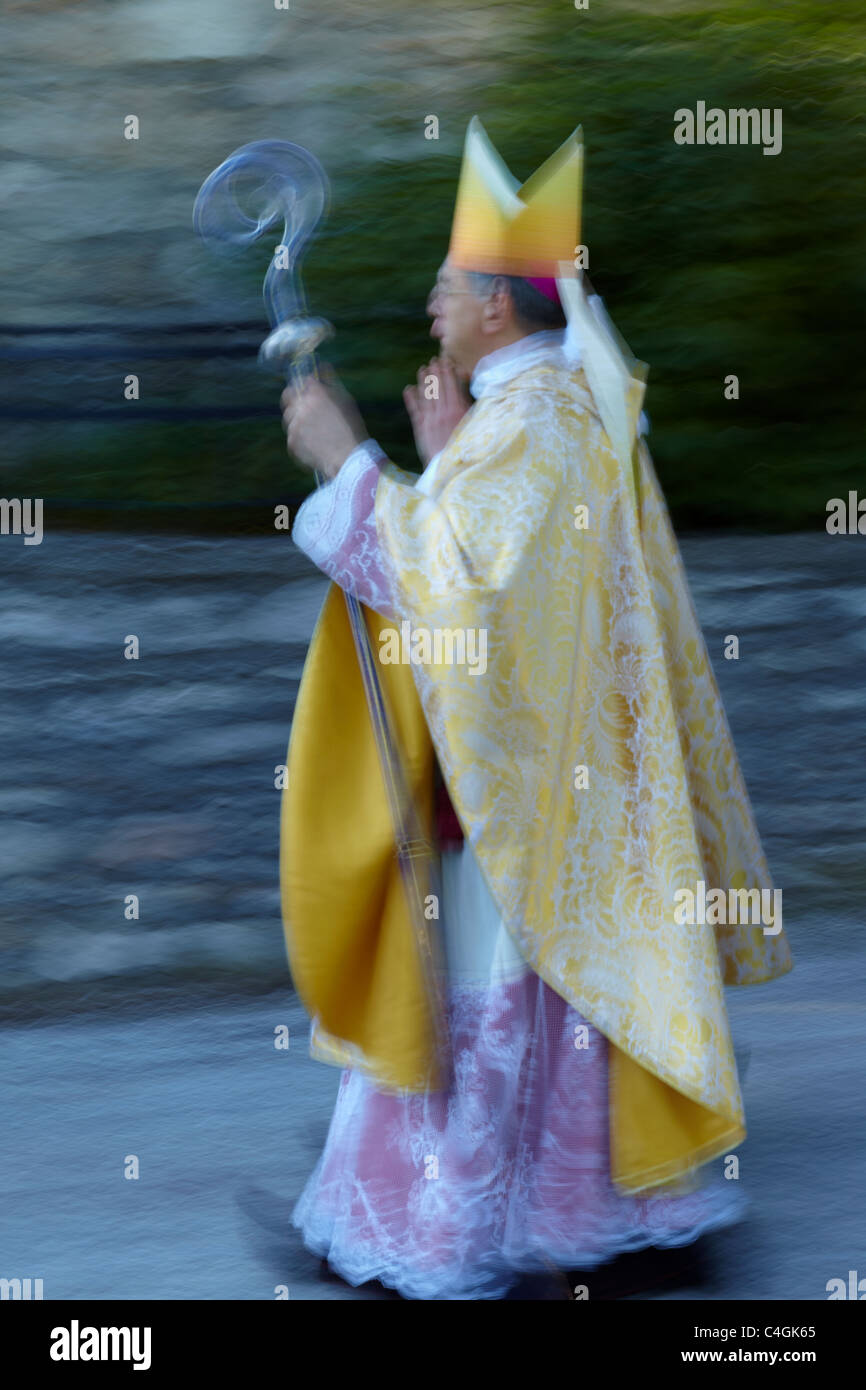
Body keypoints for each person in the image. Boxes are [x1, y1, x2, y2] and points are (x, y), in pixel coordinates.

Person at [278, 116, 793, 1301]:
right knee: (565, 1004)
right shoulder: (548, 410)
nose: (429, 302)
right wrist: (435, 462)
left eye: (448, 285)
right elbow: (491, 566)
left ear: (498, 309)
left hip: (524, 803)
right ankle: (584, 1216)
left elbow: (460, 592)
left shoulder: (533, 420)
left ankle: (456, 1236)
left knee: (494, 990)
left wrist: (342, 461)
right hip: (571, 778)